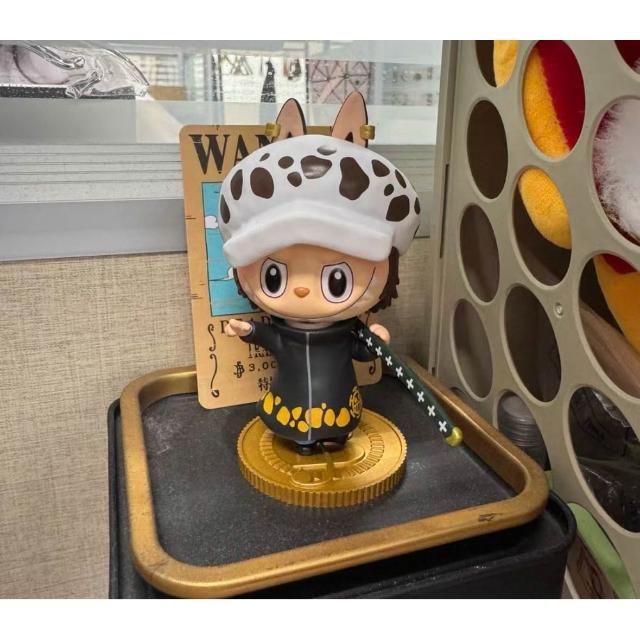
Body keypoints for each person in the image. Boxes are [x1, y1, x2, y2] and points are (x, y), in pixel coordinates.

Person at [220, 92, 420, 454]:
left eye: (337, 281)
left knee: (336, 425)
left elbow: (360, 351)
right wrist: (247, 330)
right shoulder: (286, 333)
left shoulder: (343, 333)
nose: (301, 290)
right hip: (288, 399)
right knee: (296, 427)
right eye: (274, 277)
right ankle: (301, 439)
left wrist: (375, 340)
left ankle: (332, 435)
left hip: (339, 399)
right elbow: (269, 338)